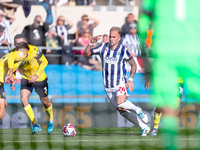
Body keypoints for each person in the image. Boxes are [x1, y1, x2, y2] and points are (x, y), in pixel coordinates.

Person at [138, 0, 200, 149]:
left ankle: (171, 146)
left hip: (165, 52)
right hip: (194, 50)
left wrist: (144, 50)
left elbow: (143, 21)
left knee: (168, 107)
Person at [83, 26, 150, 136]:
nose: (111, 39)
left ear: (119, 38)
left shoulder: (123, 50)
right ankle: (144, 127)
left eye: (114, 37)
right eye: (110, 36)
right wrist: (91, 43)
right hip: (108, 86)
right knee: (122, 110)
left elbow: (133, 64)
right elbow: (86, 54)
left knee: (121, 103)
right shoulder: (102, 47)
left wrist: (130, 80)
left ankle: (138, 109)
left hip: (120, 83)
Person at [11, 34, 54, 134]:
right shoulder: (13, 53)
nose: (19, 45)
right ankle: (35, 125)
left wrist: (36, 75)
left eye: (21, 43)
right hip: (26, 79)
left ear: (25, 42)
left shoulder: (33, 50)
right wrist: (12, 78)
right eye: (17, 43)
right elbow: (12, 67)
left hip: (40, 78)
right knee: (23, 99)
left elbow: (45, 61)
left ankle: (51, 120)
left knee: (45, 101)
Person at [0, 42, 29, 120]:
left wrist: (13, 80)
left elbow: (12, 65)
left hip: (1, 82)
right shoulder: (21, 54)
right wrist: (11, 75)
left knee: (2, 113)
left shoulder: (14, 55)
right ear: (26, 51)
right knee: (1, 112)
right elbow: (11, 58)